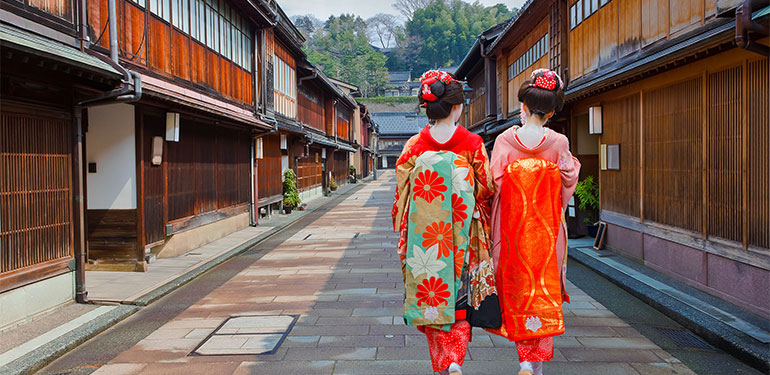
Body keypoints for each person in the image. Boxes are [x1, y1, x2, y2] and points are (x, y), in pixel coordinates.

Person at [392, 70, 496, 375]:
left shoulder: (415, 145)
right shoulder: (472, 142)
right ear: (456, 108)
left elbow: (402, 191)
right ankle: (454, 360)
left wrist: (404, 223)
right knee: (460, 301)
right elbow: (487, 187)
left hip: (424, 236)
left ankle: (442, 363)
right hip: (462, 233)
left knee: (431, 295)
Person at [488, 69, 581, 375]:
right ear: (553, 110)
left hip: (512, 230)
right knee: (544, 288)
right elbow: (568, 179)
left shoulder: (504, 140)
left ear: (523, 107)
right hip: (547, 229)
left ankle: (524, 359)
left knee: (517, 289)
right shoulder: (558, 142)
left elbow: (495, 183)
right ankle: (534, 364)